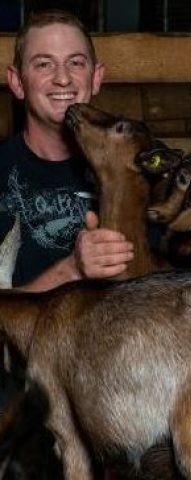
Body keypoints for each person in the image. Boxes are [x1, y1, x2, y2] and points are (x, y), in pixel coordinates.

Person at [0, 9, 134, 291]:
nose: (63, 79)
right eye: (43, 65)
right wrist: (72, 269)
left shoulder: (135, 170)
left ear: (96, 77)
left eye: (75, 63)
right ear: (17, 82)